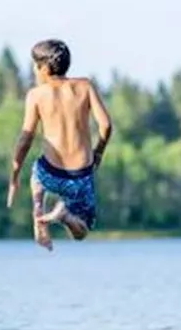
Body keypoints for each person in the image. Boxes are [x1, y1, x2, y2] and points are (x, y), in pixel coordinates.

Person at [7, 39, 113, 249]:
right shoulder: (85, 86)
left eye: (35, 67)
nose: (35, 71)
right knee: (82, 230)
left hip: (51, 172)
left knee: (37, 174)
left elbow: (25, 139)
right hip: (80, 175)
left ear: (44, 68)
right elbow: (106, 126)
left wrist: (14, 176)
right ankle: (65, 216)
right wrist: (98, 152)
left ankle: (38, 211)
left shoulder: (36, 95)